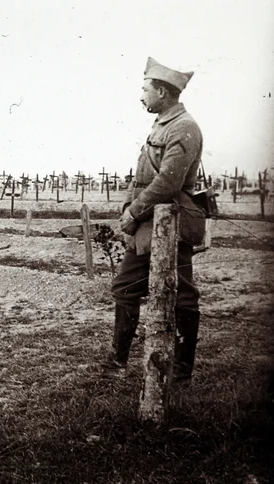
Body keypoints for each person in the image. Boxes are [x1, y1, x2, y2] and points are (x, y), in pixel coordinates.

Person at [104, 57, 206, 381]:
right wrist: (127, 205)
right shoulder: (163, 124)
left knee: (182, 295)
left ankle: (181, 372)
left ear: (161, 91)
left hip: (171, 223)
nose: (141, 95)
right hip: (149, 225)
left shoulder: (184, 127)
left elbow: (168, 183)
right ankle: (118, 363)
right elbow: (143, 177)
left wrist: (134, 212)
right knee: (125, 287)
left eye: (145, 89)